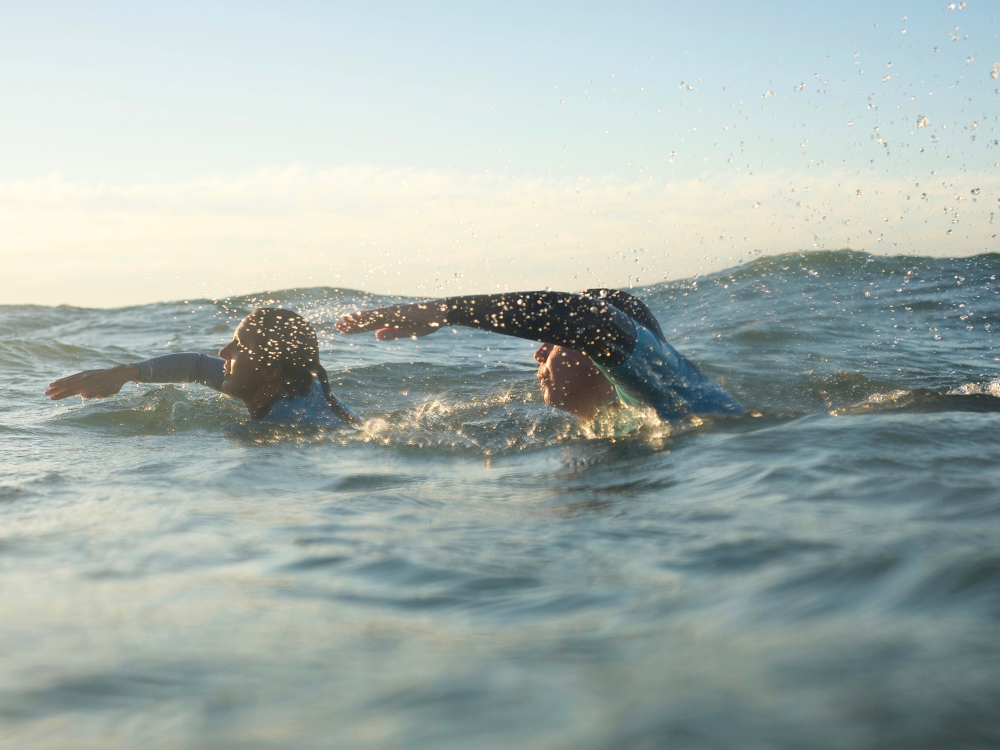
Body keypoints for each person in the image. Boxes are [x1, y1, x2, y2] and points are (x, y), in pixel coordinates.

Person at [336, 288, 742, 423]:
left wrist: (444, 312)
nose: (538, 353)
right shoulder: (633, 410)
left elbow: (587, 318)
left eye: (554, 340)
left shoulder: (667, 387)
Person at [45, 308, 361, 428]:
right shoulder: (302, 388)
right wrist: (126, 372)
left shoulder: (288, 425)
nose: (224, 352)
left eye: (240, 346)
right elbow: (196, 367)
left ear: (271, 372)